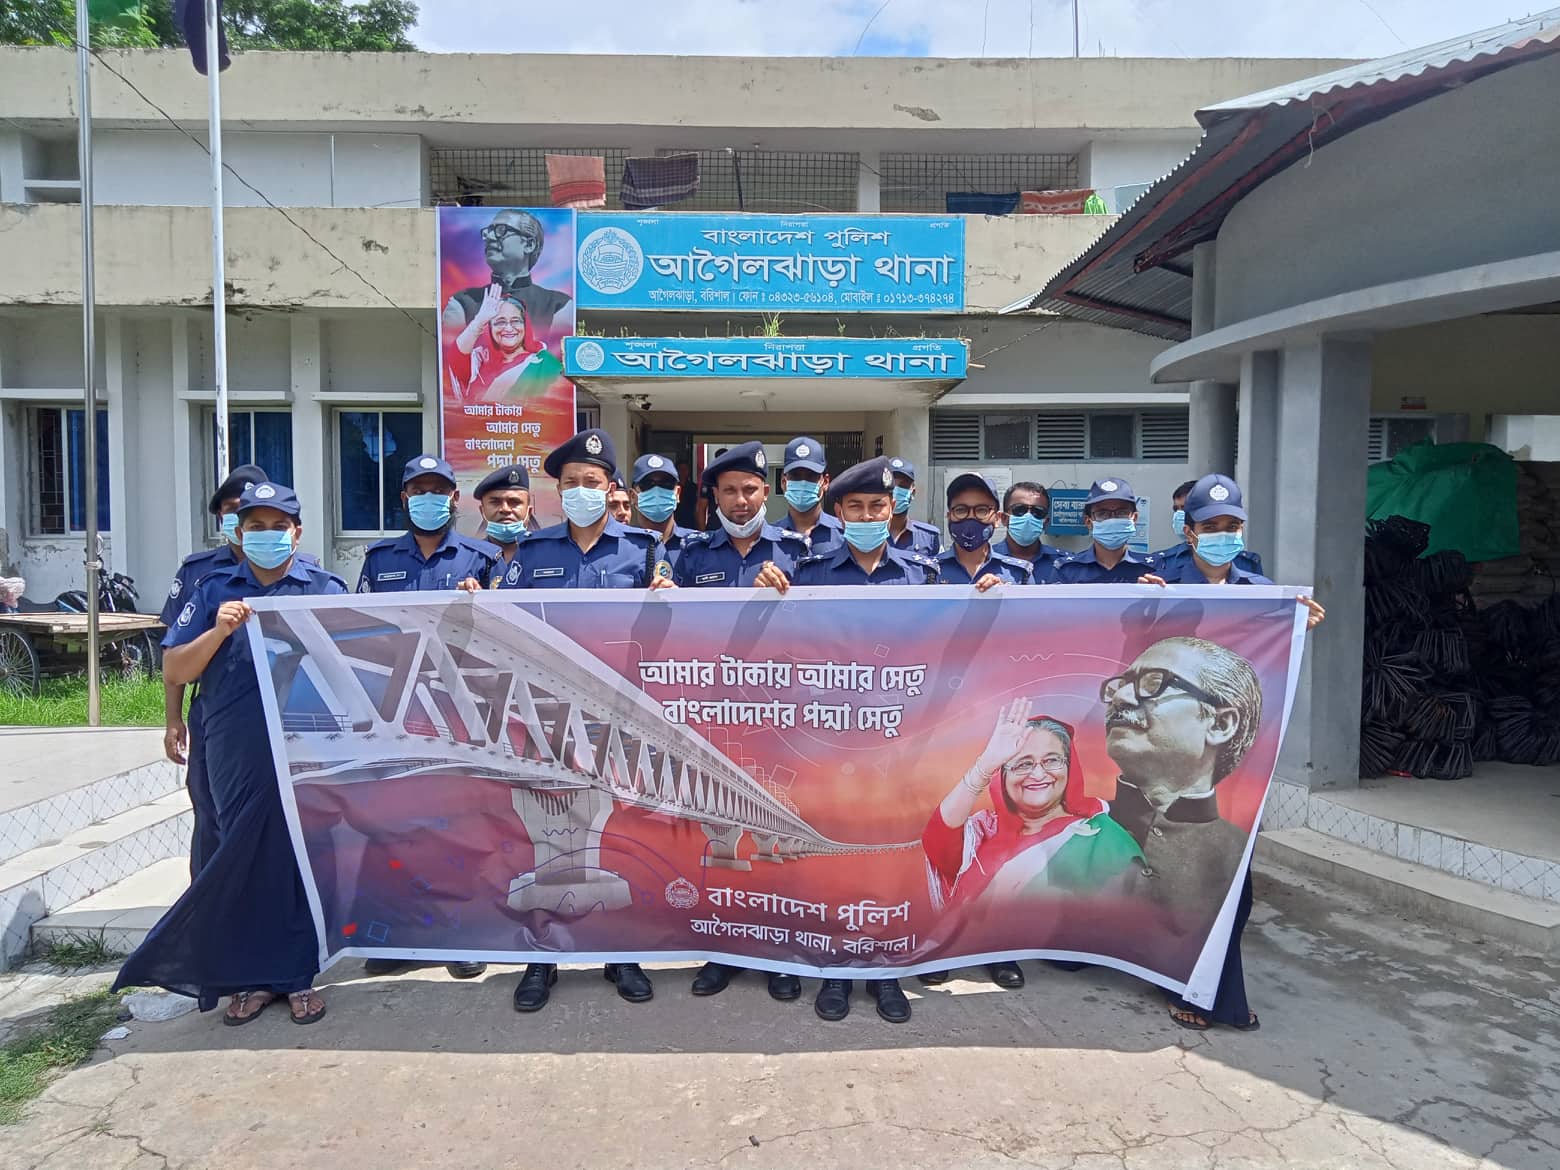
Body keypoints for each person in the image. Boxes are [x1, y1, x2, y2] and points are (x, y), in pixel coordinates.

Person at [114, 482, 346, 1026]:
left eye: (278, 526)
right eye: (256, 527)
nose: (268, 535)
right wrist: (218, 631)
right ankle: (248, 979)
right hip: (234, 743)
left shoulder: (324, 587)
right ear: (239, 534)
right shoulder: (213, 589)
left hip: (306, 743)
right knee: (240, 855)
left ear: (297, 533)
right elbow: (176, 668)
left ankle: (297, 977)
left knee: (299, 857)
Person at [1134, 473, 1324, 1033]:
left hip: (1233, 755)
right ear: (1189, 532)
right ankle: (1185, 983)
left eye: (1231, 525)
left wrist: (1298, 623)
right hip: (1175, 751)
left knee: (1231, 877)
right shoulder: (1161, 584)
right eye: (1210, 525)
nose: (1223, 534)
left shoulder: (1261, 591)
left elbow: (1268, 665)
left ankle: (1213, 986)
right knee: (1179, 873)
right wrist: (1141, 607)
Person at [499, 428, 674, 1011]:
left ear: (611, 487)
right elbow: (507, 622)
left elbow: (664, 631)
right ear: (558, 490)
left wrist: (668, 595)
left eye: (591, 482)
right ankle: (542, 957)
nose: (580, 490)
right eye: (570, 482)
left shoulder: (642, 551)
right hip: (545, 717)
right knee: (543, 833)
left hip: (615, 719)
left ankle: (620, 954)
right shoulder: (533, 552)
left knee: (615, 832)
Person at [792, 455, 938, 1025]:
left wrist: (987, 597)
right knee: (837, 854)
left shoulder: (921, 574)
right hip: (831, 747)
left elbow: (945, 650)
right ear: (839, 513)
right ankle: (836, 967)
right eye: (855, 507)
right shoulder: (811, 574)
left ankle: (883, 969)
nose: (868, 515)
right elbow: (788, 653)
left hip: (898, 747)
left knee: (889, 857)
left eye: (877, 506)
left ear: (892, 507)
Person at [672, 443, 807, 1003]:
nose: (741, 500)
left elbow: (827, 631)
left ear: (766, 492)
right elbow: (677, 636)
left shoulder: (798, 552)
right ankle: (723, 950)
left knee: (779, 833)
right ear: (714, 498)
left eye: (750, 489)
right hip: (716, 717)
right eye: (728, 491)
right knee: (719, 831)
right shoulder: (690, 558)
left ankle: (780, 951)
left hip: (782, 718)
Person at [357, 454, 497, 981]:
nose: (429, 499)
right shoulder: (380, 559)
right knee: (392, 823)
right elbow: (358, 625)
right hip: (394, 708)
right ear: (404, 498)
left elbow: (505, 636)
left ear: (454, 499)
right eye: (419, 491)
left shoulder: (482, 559)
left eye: (438, 490)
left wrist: (484, 606)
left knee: (460, 823)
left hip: (459, 709)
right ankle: (399, 934)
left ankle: (464, 933)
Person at [923, 700, 1143, 908]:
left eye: (1052, 760)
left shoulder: (1103, 839)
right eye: (1023, 764)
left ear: (1069, 767)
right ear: (1002, 776)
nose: (1038, 774)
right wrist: (986, 764)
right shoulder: (985, 835)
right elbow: (938, 839)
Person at [159, 463, 267, 879]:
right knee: (210, 810)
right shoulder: (199, 573)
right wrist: (173, 719)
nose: (239, 517)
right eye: (231, 510)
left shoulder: (304, 572)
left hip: (277, 715)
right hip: (215, 710)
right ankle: (206, 901)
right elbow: (173, 652)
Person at [442, 209, 572, 336]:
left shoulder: (557, 305)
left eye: (501, 230)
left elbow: (558, 348)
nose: (489, 237)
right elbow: (451, 348)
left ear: (529, 245)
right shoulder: (463, 302)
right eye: (488, 231)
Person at [449, 290, 556, 402]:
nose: (509, 328)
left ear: (525, 325)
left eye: (516, 321)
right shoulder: (479, 361)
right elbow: (455, 356)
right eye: (500, 322)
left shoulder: (544, 364)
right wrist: (479, 321)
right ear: (490, 328)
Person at [933, 473, 1034, 588]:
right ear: (949, 517)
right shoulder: (928, 572)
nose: (971, 517)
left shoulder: (1020, 574)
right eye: (961, 510)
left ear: (997, 519)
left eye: (982, 510)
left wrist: (1005, 594)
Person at [1152, 476, 1264, 576]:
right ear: (1188, 532)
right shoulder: (1162, 562)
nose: (1180, 514)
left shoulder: (1248, 564)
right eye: (1176, 509)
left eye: (1232, 527)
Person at [1054, 477, 1156, 584]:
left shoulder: (1152, 568)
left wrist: (1153, 591)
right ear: (1088, 522)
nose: (1112, 520)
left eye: (1121, 513)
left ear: (1134, 519)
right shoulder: (1067, 570)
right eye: (1102, 513)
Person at [776, 436, 843, 554]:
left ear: (825, 482)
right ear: (783, 482)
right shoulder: (769, 539)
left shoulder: (844, 536)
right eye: (795, 476)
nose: (803, 482)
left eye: (811, 476)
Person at [630, 453, 696, 569]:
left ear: (678, 493)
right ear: (632, 496)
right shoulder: (620, 548)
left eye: (666, 484)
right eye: (648, 484)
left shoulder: (696, 546)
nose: (657, 490)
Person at [994, 481, 1066, 584]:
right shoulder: (985, 562)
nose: (1028, 517)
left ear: (1045, 522)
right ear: (1004, 518)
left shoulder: (1065, 563)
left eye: (1038, 511)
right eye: (1019, 509)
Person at [473, 463, 532, 577]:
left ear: (529, 512)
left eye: (514, 502)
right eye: (495, 502)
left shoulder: (544, 554)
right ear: (482, 511)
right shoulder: (470, 557)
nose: (505, 509)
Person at [886, 457, 941, 557]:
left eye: (903, 486)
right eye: (891, 486)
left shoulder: (929, 537)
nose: (896, 491)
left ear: (913, 493)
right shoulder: (869, 535)